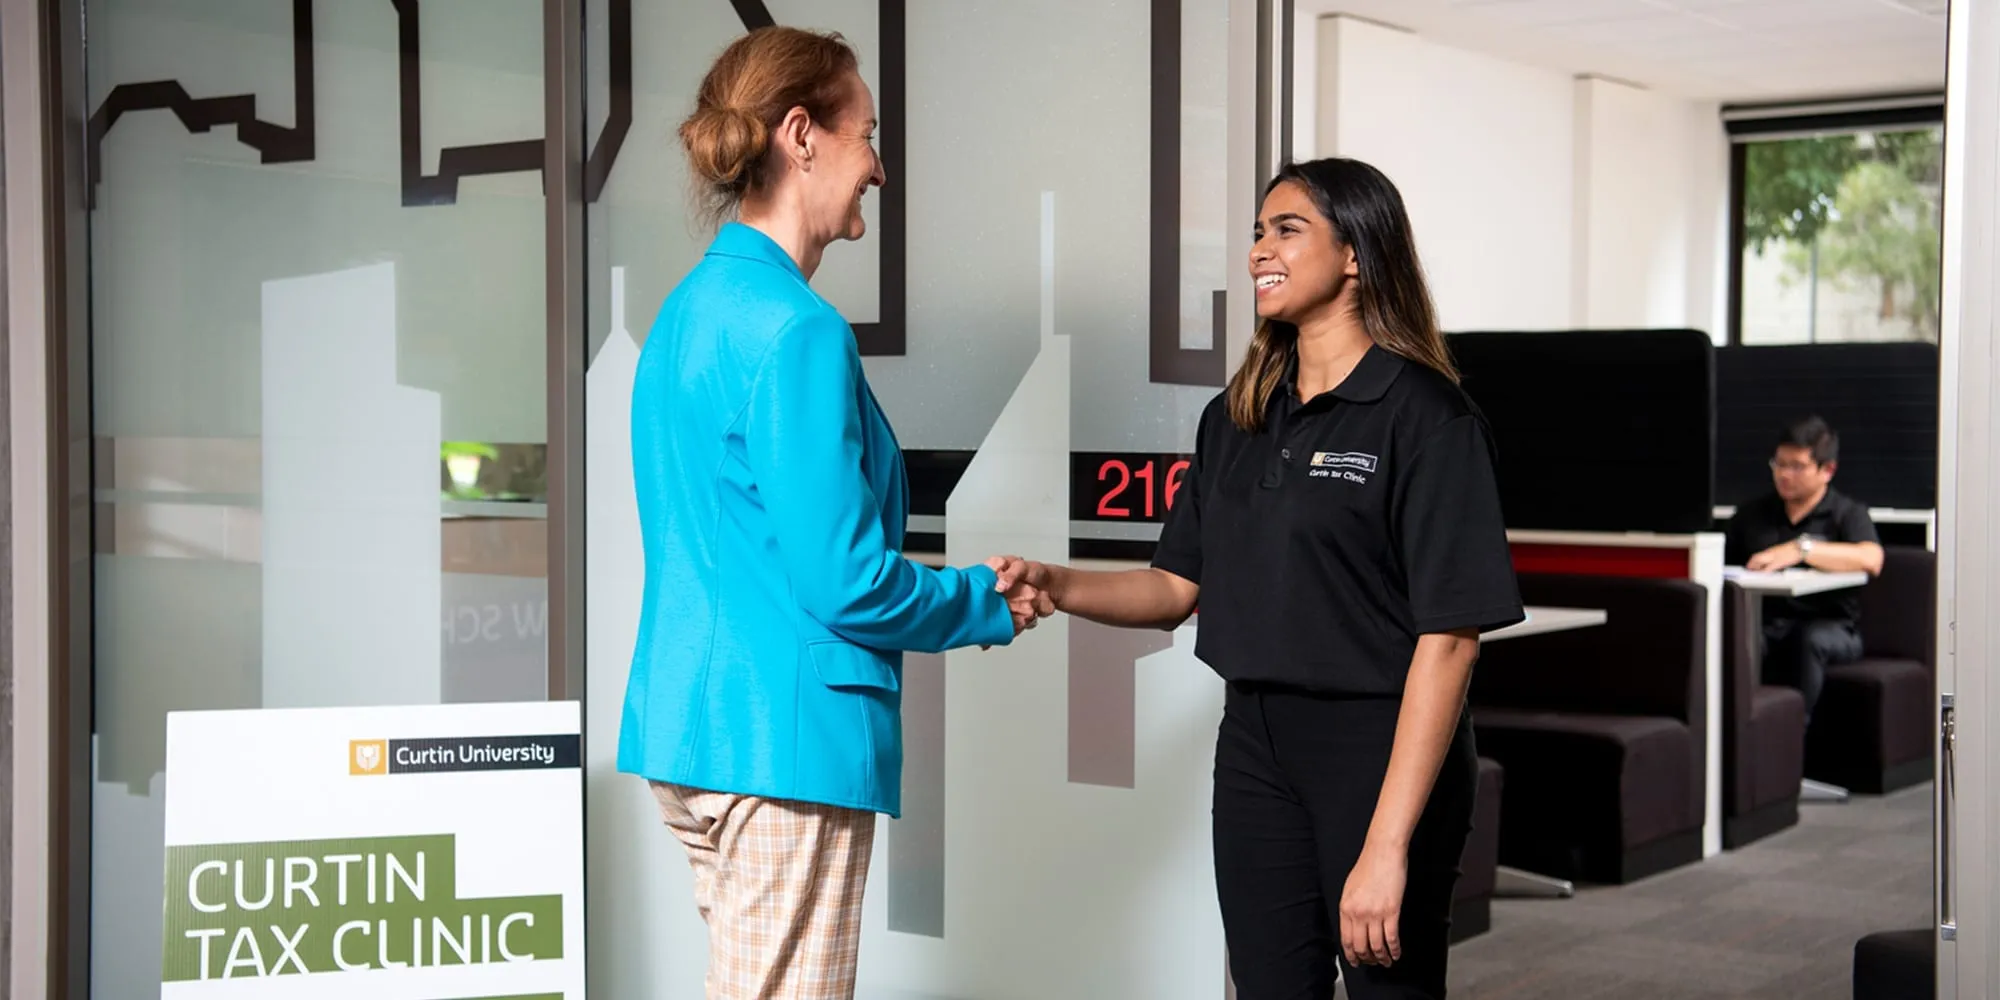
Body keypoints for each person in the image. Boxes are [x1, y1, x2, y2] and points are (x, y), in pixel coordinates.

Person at [1020, 158, 1523, 999]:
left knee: (1385, 987)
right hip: (1254, 746)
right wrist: (1057, 582)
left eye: (1287, 230)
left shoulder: (1428, 418)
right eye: (1257, 232)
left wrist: (1387, 844)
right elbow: (1174, 589)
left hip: (1380, 749)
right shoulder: (1238, 416)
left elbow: (1450, 643)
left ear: (1357, 254)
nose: (1260, 249)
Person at [621, 27, 1048, 999]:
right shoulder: (796, 330)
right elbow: (842, 577)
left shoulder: (686, 313)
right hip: (781, 742)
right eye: (867, 136)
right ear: (801, 135)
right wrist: (983, 600)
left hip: (689, 733)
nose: (879, 169)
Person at [1725, 416, 1884, 721]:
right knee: (1740, 635)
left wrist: (1802, 550)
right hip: (1766, 620)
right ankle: (1739, 731)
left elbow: (1871, 558)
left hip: (1832, 626)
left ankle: (1796, 735)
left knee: (1808, 639)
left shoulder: (1847, 513)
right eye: (1778, 464)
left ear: (1827, 470)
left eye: (1796, 466)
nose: (1784, 474)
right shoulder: (1751, 514)